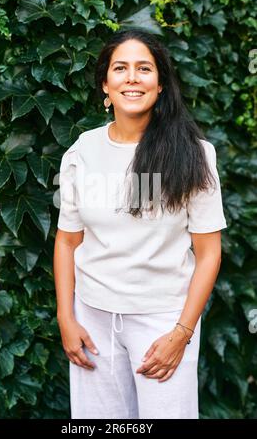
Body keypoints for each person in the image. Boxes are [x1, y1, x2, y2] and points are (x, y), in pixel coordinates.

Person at [53, 28, 227, 419]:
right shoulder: (82, 150)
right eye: (120, 68)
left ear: (161, 84)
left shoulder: (195, 155)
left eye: (144, 68)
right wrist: (67, 317)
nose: (132, 77)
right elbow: (67, 242)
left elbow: (209, 252)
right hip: (92, 320)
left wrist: (181, 334)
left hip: (163, 321)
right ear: (105, 83)